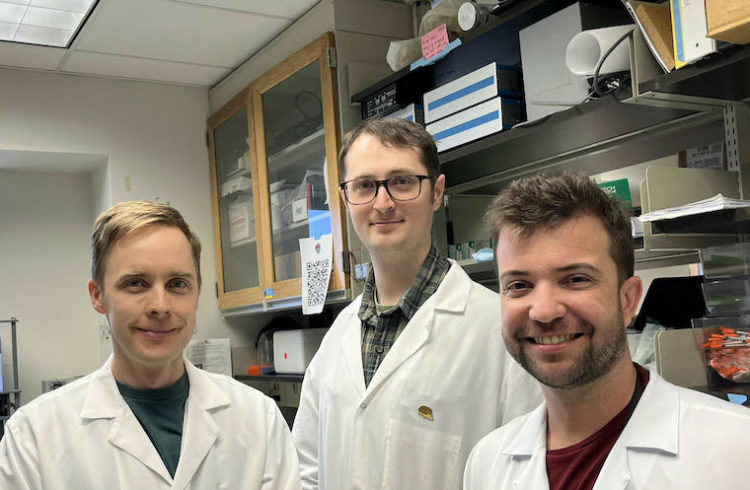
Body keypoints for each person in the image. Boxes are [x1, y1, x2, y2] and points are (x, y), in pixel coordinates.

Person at [292, 118, 541, 489]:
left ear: (436, 192)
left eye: (401, 182)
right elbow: (305, 471)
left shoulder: (499, 330)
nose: (383, 203)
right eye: (364, 186)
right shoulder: (337, 337)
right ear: (345, 198)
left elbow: (525, 474)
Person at [464, 172, 750, 489]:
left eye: (576, 279)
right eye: (519, 285)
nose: (544, 311)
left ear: (628, 300)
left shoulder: (736, 449)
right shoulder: (487, 464)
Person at [0, 201, 301, 489]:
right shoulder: (33, 437)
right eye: (136, 283)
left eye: (178, 284)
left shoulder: (259, 418)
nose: (160, 306)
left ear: (197, 291)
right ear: (98, 296)